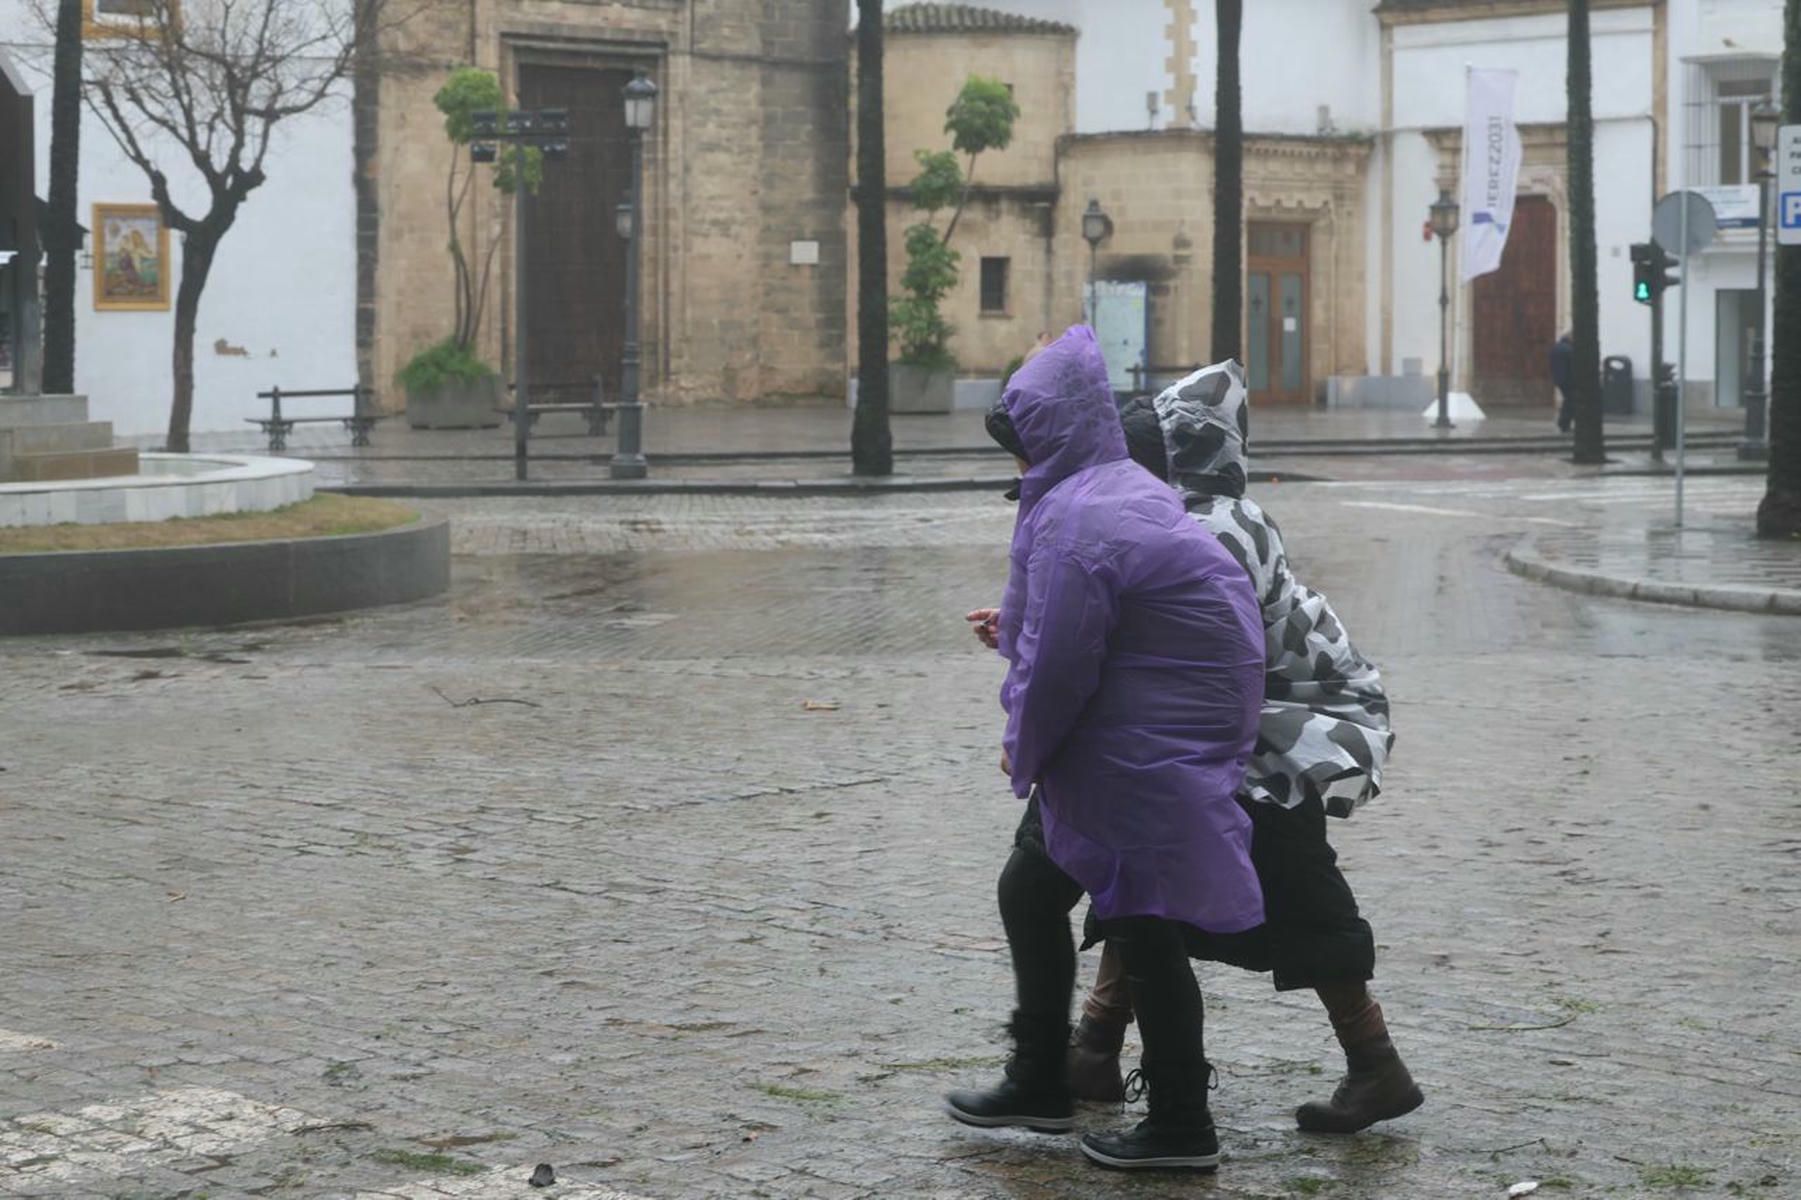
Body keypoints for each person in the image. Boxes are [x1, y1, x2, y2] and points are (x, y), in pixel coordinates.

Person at [1060, 360, 1423, 1135]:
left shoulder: (1216, 526)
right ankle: (1094, 1044)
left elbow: (1203, 647)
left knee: (1295, 885)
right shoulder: (1194, 512)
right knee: (1144, 877)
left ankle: (1375, 1064)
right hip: (1236, 723)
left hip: (1283, 732)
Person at [945, 327, 1267, 1173]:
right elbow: (1088, 621)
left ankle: (1180, 1125)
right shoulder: (1102, 488)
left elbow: (1061, 663)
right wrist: (1015, 629)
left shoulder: (1079, 513)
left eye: (1021, 449)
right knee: (1034, 888)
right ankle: (1039, 1077)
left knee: (1142, 922)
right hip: (1147, 729)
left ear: (1051, 436)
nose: (1018, 466)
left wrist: (1023, 746)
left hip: (1147, 745)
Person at [1551, 331, 1575, 433]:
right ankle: (1564, 423)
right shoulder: (1569, 350)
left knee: (1568, 400)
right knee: (1570, 401)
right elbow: (1572, 367)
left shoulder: (1556, 348)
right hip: (1569, 380)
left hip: (1559, 379)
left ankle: (1564, 423)